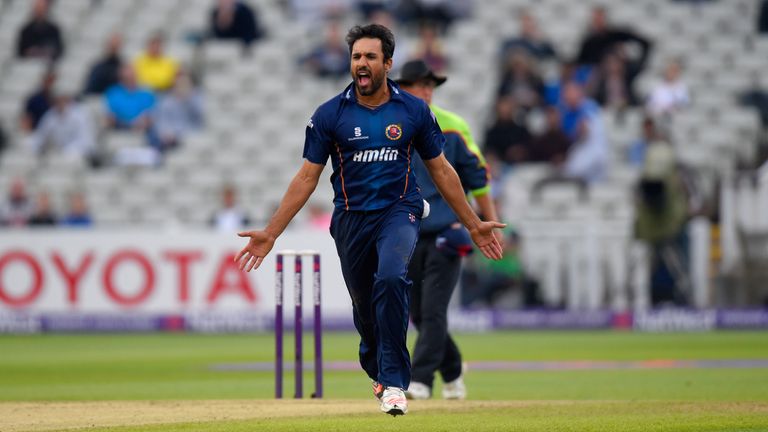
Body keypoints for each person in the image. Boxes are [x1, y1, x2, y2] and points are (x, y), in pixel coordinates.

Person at [235, 24, 504, 416]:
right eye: (356, 57)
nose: (361, 63)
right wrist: (272, 232)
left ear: (387, 63)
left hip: (399, 212)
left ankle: (395, 383)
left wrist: (473, 222)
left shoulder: (413, 111)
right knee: (365, 312)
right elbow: (306, 177)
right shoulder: (329, 115)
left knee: (393, 277)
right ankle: (380, 373)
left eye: (370, 57)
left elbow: (443, 170)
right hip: (350, 220)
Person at [395, 59, 501, 401]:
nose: (426, 91)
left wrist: (486, 225)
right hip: (406, 232)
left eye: (430, 85)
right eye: (419, 85)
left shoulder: (453, 126)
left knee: (434, 310)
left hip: (447, 229)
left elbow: (478, 178)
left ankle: (421, 380)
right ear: (403, 87)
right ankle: (454, 370)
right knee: (418, 314)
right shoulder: (391, 126)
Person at [27, 89, 97, 162]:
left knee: (70, 157)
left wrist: (69, 151)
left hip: (80, 152)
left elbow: (87, 139)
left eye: (62, 100)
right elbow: (41, 135)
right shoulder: (50, 116)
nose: (60, 103)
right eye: (57, 100)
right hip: (61, 152)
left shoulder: (81, 114)